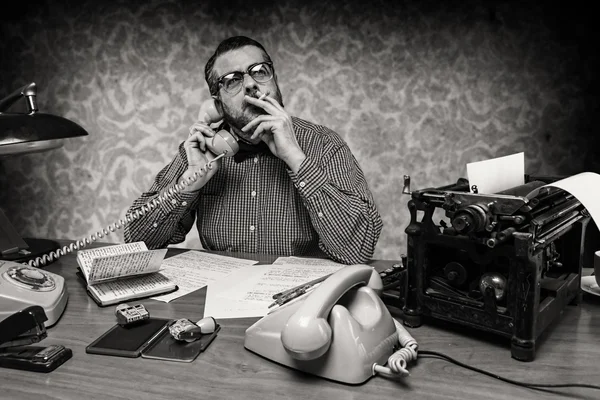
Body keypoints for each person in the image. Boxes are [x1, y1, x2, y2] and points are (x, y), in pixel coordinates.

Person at [123, 36, 382, 265]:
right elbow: (137, 242)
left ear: (275, 81)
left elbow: (358, 250)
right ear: (218, 104)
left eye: (259, 71)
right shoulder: (201, 150)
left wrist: (296, 158)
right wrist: (189, 184)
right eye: (232, 80)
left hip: (303, 305)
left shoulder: (324, 144)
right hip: (223, 301)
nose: (250, 84)